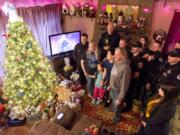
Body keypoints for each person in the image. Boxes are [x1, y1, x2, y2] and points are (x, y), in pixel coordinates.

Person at [109, 47, 131, 123]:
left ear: (122, 55)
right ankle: (113, 108)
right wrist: (110, 85)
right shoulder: (116, 62)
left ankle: (117, 118)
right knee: (114, 101)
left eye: (116, 54)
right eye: (115, 54)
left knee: (117, 105)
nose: (114, 56)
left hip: (118, 91)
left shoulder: (126, 68)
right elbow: (113, 74)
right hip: (112, 88)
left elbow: (125, 85)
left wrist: (120, 98)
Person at [125, 42, 144, 111]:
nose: (132, 48)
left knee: (129, 94)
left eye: (135, 47)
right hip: (127, 79)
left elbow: (136, 75)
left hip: (132, 81)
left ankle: (127, 107)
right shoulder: (132, 56)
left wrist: (128, 80)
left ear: (139, 49)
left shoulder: (139, 60)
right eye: (132, 46)